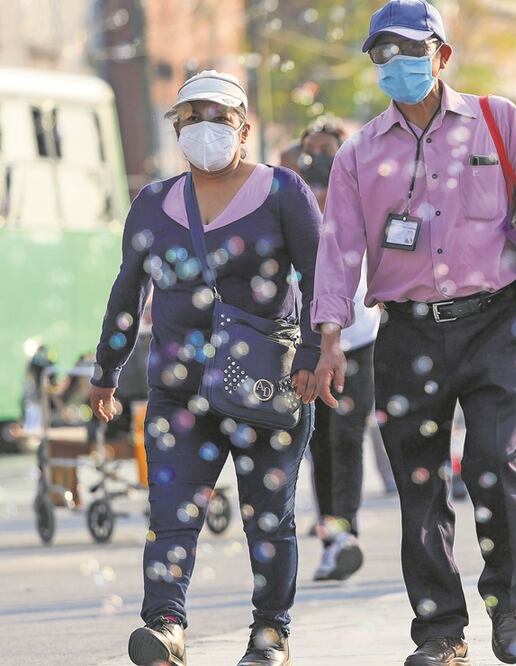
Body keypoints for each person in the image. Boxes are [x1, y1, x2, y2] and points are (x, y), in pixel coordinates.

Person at [311, 2, 516, 663]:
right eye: (380, 53)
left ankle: (508, 608)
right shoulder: (357, 154)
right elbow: (338, 249)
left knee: (492, 461)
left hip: (495, 322)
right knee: (419, 485)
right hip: (405, 333)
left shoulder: (498, 120)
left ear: (442, 55)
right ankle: (439, 632)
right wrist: (328, 336)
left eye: (408, 49)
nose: (394, 63)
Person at [87, 70, 321, 666]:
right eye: (191, 118)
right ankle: (165, 626)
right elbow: (127, 294)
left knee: (268, 517)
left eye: (218, 116)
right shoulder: (152, 204)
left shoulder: (282, 191)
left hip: (267, 387)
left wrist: (319, 355)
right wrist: (106, 371)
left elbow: (323, 280)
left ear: (245, 125)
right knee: (170, 515)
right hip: (176, 392)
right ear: (176, 130)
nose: (204, 129)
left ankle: (271, 633)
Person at [292, 117, 382, 582]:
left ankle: (345, 531)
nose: (319, 158)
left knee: (346, 439)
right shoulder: (296, 200)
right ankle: (332, 534)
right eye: (311, 150)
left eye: (328, 149)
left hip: (358, 339)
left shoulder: (366, 194)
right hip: (308, 341)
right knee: (318, 445)